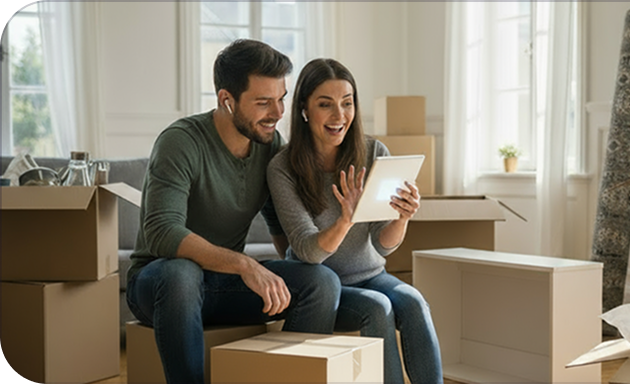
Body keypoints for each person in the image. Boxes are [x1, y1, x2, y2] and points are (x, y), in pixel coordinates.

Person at [126, 40, 341, 384]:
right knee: (182, 273)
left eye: (282, 98)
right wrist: (245, 264)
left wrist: (297, 265)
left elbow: (280, 223)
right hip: (160, 284)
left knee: (321, 283)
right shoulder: (181, 141)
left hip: (222, 285)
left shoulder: (271, 146)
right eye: (263, 102)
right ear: (227, 100)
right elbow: (162, 231)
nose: (278, 112)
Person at [266, 58, 443, 384]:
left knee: (414, 302)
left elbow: (381, 245)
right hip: (320, 286)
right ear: (304, 108)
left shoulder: (374, 152)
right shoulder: (283, 168)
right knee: (377, 308)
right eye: (325, 105)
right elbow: (308, 251)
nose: (339, 116)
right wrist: (346, 219)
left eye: (347, 103)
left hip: (371, 274)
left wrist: (402, 218)